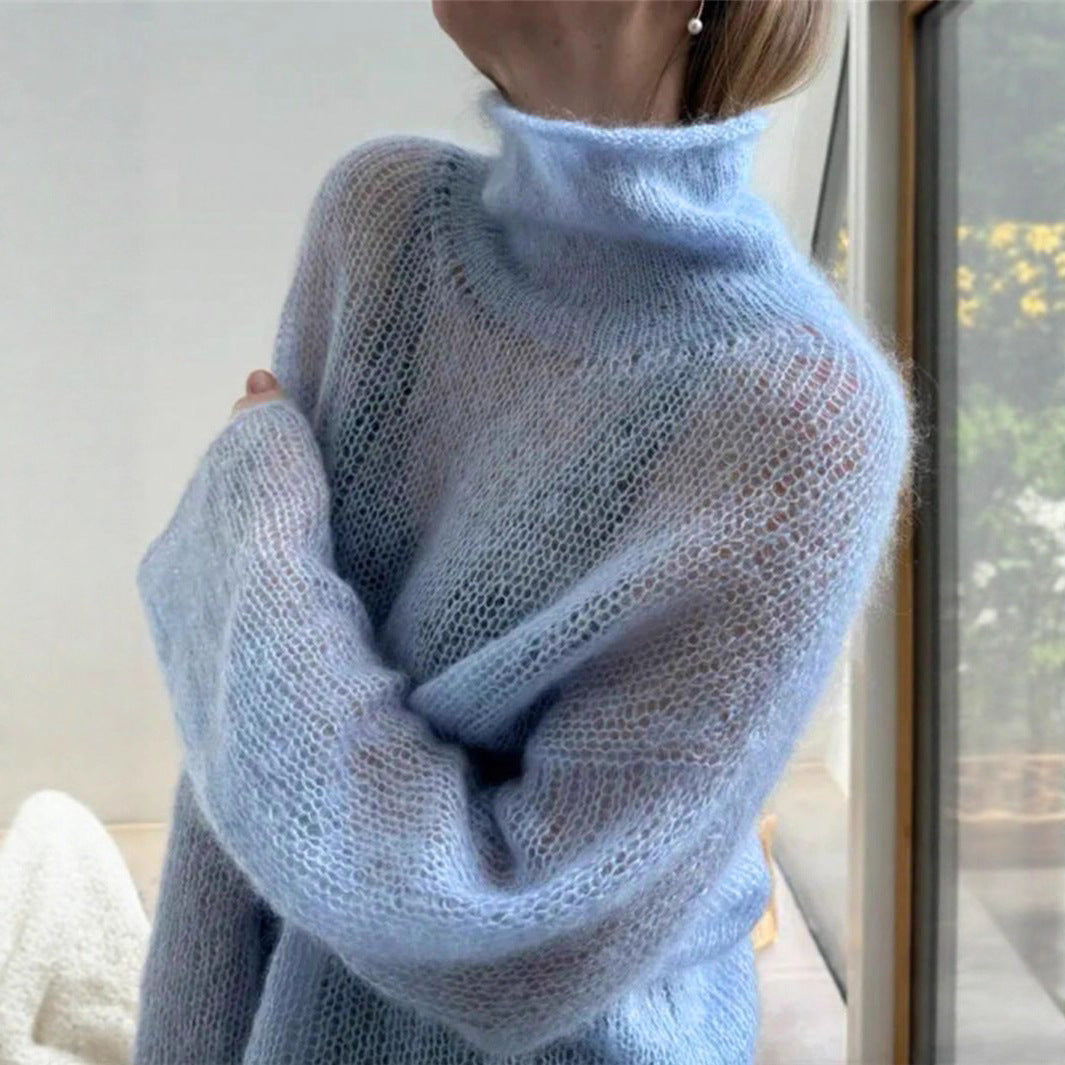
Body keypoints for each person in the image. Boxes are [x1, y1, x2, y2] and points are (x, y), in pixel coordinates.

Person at [134, 2, 915, 1063]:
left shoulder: (803, 409)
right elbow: (244, 760)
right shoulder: (379, 216)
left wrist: (252, 529)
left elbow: (520, 939)